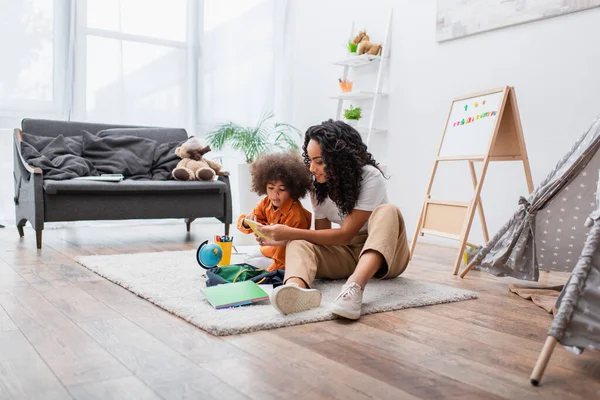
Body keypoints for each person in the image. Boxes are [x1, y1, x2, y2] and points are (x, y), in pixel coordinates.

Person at [258, 119, 410, 320]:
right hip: (348, 253)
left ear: (340, 159)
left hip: (386, 256)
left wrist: (289, 231)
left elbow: (346, 233)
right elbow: (322, 237)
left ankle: (353, 288)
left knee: (388, 210)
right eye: (310, 160)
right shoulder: (318, 186)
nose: (312, 168)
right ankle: (294, 289)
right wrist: (286, 239)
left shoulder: (371, 177)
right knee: (299, 241)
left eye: (319, 162)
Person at [237, 151, 313, 271]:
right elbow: (250, 221)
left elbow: (293, 247)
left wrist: (271, 273)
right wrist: (247, 222)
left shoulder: (296, 214)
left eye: (282, 189)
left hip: (287, 258)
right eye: (270, 188)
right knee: (248, 258)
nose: (275, 194)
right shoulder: (266, 202)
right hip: (269, 250)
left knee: (250, 263)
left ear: (292, 190)